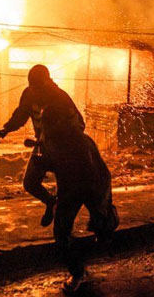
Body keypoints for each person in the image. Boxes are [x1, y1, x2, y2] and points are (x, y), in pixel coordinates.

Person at [37, 104, 119, 295]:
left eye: (48, 122)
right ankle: (78, 271)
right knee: (61, 234)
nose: (45, 126)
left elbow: (87, 175)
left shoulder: (79, 142)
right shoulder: (54, 139)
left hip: (91, 186)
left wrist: (97, 210)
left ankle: (83, 265)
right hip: (74, 188)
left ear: (58, 122)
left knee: (98, 225)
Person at [0, 65, 84, 227]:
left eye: (38, 86)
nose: (35, 90)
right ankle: (51, 202)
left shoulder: (60, 97)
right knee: (30, 183)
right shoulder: (29, 94)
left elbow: (79, 123)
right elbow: (21, 114)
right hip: (43, 146)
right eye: (32, 85)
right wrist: (6, 130)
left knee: (66, 187)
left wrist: (63, 137)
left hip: (64, 148)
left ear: (47, 82)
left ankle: (64, 224)